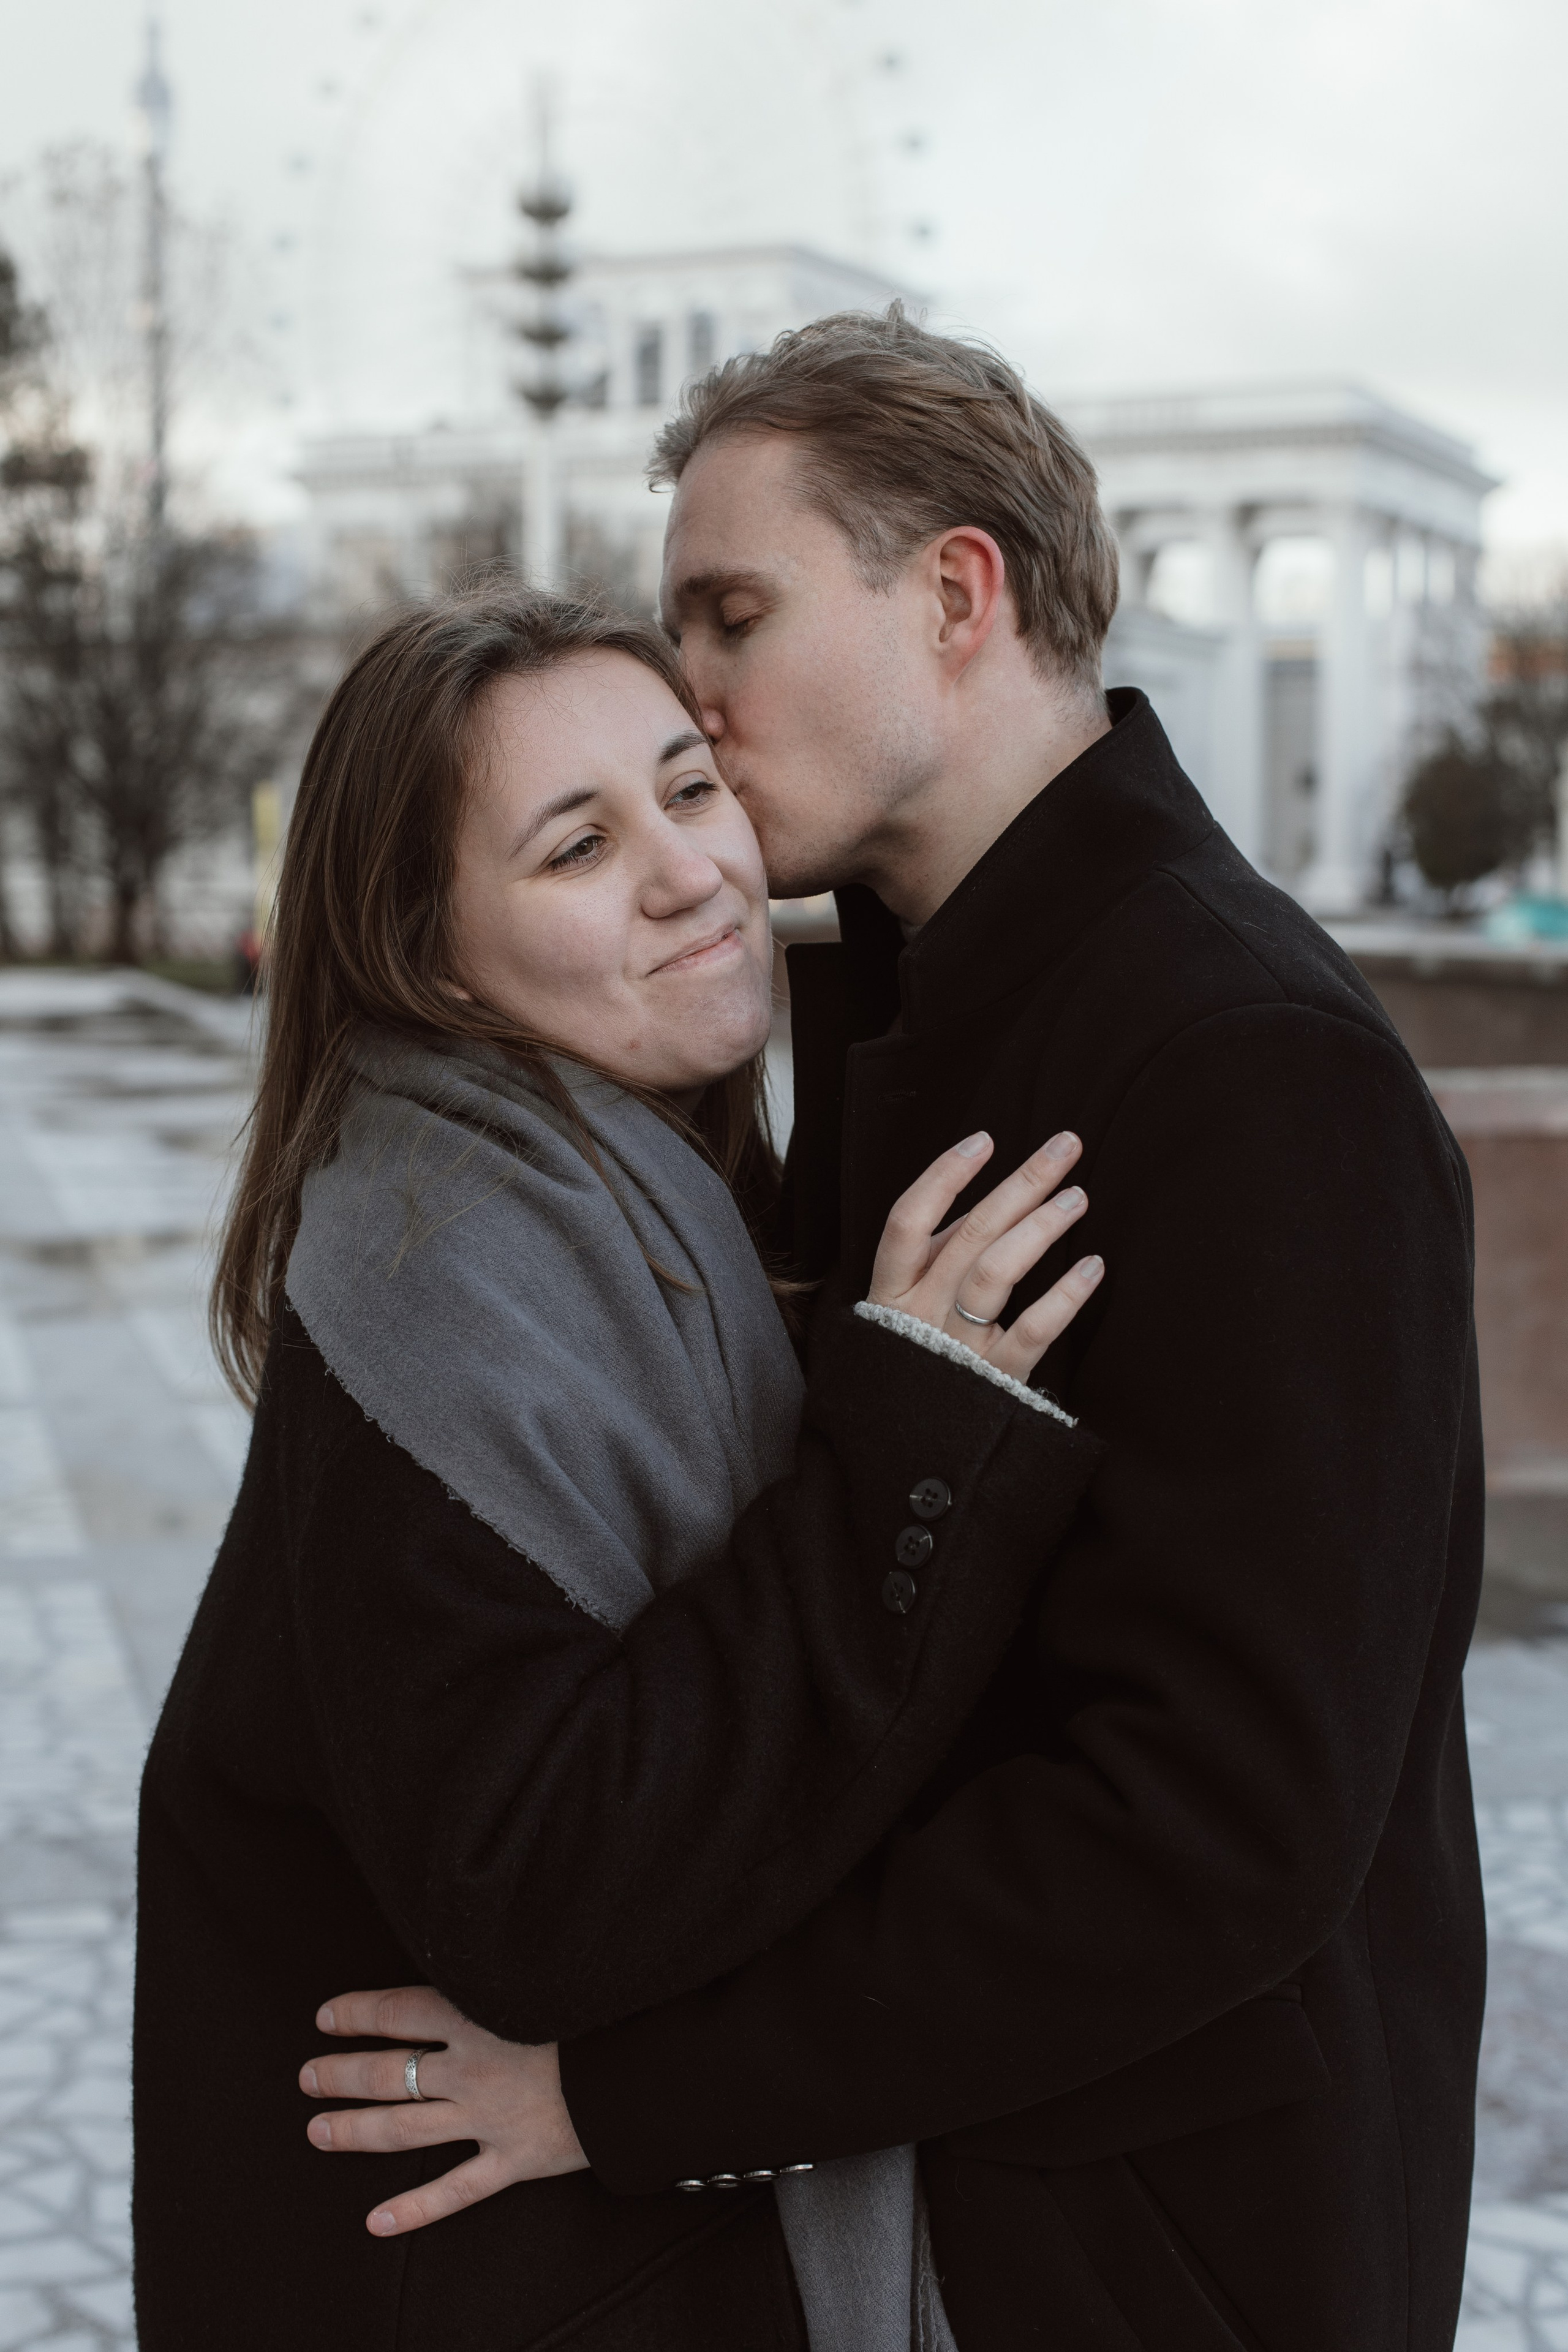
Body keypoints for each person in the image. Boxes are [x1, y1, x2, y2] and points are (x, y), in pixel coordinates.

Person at [311, 309, 1485, 2352]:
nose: (690, 690)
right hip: (970, 2205)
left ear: (956, 592)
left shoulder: (1246, 1063)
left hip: (1157, 2250)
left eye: (734, 615)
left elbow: (1217, 1828)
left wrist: (632, 2096)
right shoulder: (908, 1004)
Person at [132, 590, 1111, 2351]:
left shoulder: (619, 1197)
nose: (690, 873)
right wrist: (913, 1425)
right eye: (578, 845)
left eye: (688, 790)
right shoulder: (447, 1276)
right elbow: (545, 1888)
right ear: (432, 958)